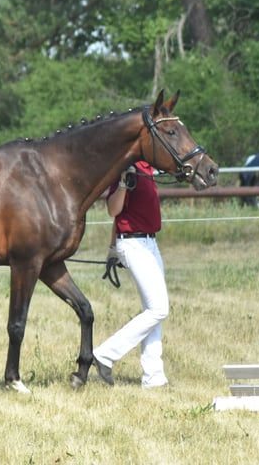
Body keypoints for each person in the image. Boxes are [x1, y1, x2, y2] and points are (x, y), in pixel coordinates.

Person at [93, 160, 169, 388]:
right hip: (133, 243)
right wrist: (124, 184)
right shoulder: (126, 168)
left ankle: (154, 377)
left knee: (153, 311)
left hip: (150, 243)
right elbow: (113, 210)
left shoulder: (147, 167)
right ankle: (105, 354)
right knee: (159, 309)